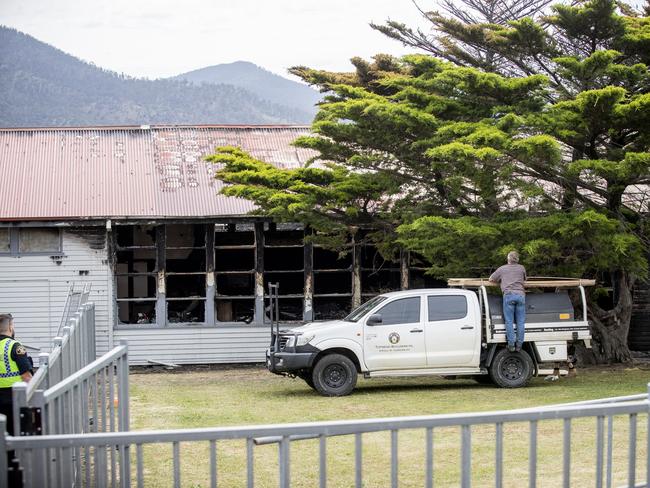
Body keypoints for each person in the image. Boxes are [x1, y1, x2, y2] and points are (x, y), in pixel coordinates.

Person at [0, 314, 33, 436]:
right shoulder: (15, 346)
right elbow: (27, 377)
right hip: (14, 398)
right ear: (10, 327)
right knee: (19, 434)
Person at [489, 251, 527, 352]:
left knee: (509, 321)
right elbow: (525, 280)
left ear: (508, 259)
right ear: (517, 260)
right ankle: (519, 345)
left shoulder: (502, 269)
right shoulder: (521, 268)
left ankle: (511, 345)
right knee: (520, 322)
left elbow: (491, 279)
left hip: (509, 295)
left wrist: (501, 280)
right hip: (520, 296)